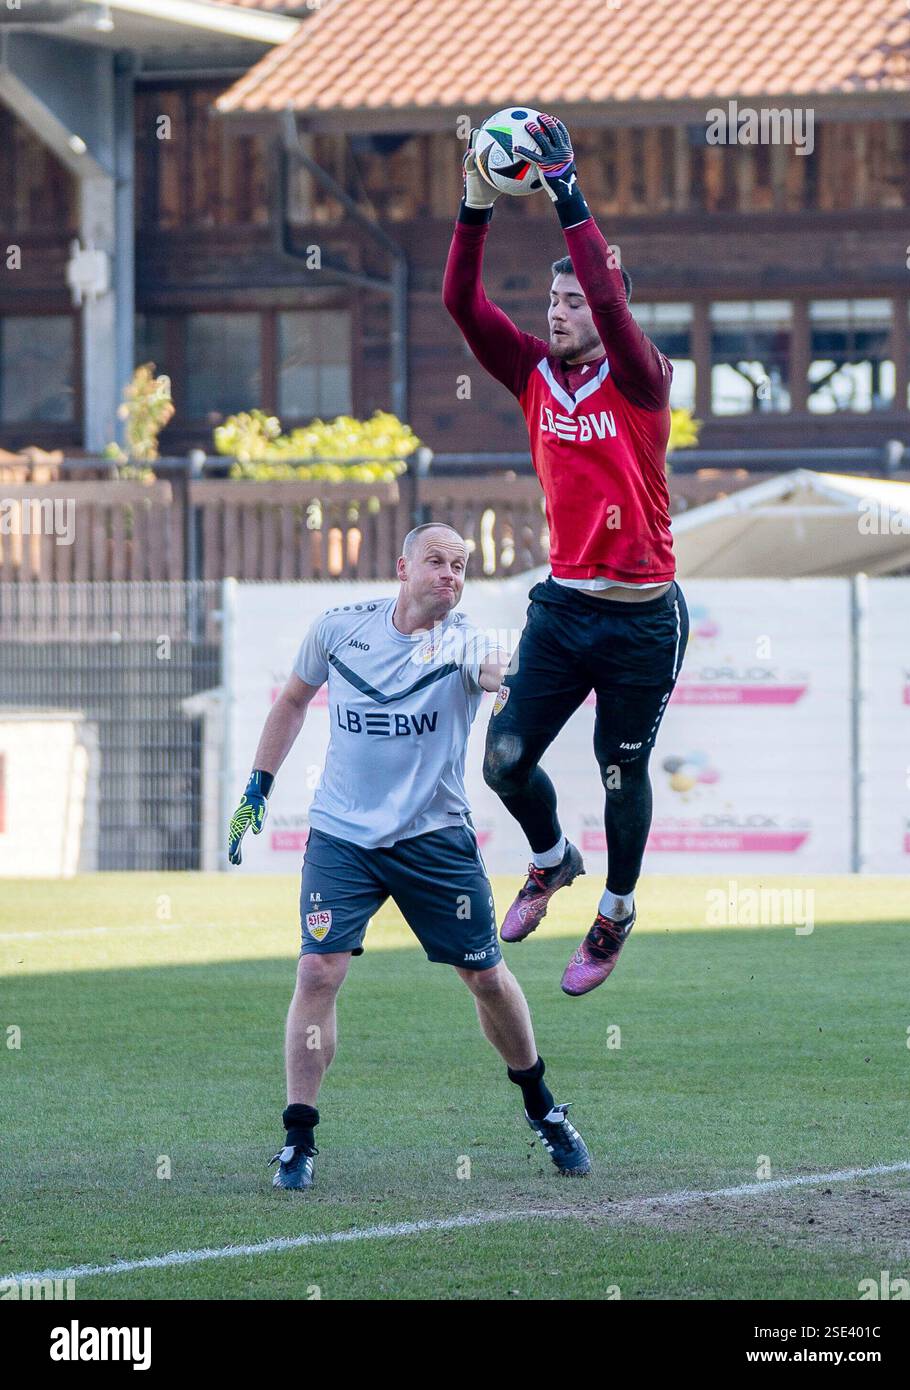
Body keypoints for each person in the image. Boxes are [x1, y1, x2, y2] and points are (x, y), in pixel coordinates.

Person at [228, 523, 591, 1188]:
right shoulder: (338, 629)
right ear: (403, 566)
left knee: (484, 978)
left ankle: (542, 1108)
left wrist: (520, 686)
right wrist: (258, 786)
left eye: (460, 565)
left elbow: (499, 678)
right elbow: (292, 700)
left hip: (434, 841)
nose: (449, 574)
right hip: (342, 838)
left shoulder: (470, 642)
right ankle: (298, 1139)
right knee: (317, 974)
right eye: (436, 561)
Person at [443, 114, 690, 997]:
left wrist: (565, 195)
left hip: (639, 615)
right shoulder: (528, 372)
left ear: (607, 305)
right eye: (550, 302)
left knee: (620, 771)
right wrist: (475, 205)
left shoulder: (641, 376)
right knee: (504, 760)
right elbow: (461, 306)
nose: (557, 313)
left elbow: (609, 298)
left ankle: (615, 914)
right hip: (563, 605)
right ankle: (551, 862)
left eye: (573, 301)